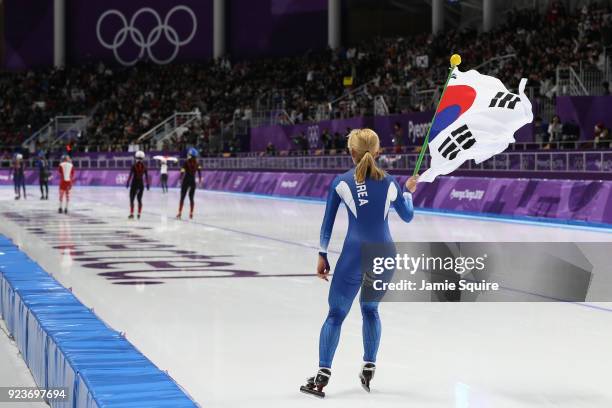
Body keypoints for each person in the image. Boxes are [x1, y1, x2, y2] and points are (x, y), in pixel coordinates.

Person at [300, 128, 417, 398]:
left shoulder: (341, 182)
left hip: (354, 256)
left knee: (335, 315)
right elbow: (408, 216)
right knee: (371, 310)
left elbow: (326, 224)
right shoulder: (390, 182)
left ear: (351, 153)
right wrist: (408, 192)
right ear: (377, 152)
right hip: (385, 255)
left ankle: (322, 375)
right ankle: (368, 367)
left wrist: (322, 255)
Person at [176, 147, 202, 220]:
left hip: (186, 181)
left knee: (182, 197)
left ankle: (180, 213)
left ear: (190, 155)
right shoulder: (197, 163)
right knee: (191, 198)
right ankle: (191, 213)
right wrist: (200, 181)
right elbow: (200, 172)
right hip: (192, 182)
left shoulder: (186, 162)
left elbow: (182, 171)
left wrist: (179, 180)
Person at [126, 151, 149, 219]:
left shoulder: (133, 166)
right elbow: (147, 177)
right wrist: (147, 184)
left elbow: (130, 175)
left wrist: (127, 182)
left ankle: (132, 213)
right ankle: (139, 214)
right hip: (141, 185)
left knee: (132, 199)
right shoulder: (145, 167)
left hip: (134, 184)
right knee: (139, 199)